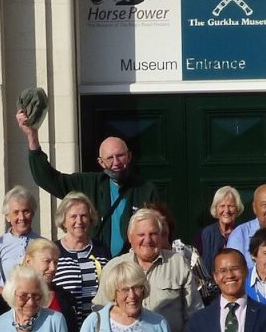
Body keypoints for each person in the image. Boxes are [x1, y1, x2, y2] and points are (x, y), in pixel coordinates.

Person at [17, 110, 160, 256]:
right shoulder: (87, 184)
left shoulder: (146, 190)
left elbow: (159, 230)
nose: (116, 162)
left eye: (120, 156)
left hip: (131, 266)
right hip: (96, 264)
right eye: (110, 158)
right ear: (101, 162)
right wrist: (32, 136)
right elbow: (48, 179)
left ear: (129, 156)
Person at [93, 209, 203, 332]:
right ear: (130, 237)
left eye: (153, 234)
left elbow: (194, 312)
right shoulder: (114, 267)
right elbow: (99, 312)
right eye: (141, 235)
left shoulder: (178, 264)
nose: (148, 240)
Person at [0, 238, 80, 332]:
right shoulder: (7, 298)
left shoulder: (65, 298)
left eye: (55, 262)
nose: (53, 268)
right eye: (47, 261)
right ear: (28, 261)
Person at [52, 191, 111, 323]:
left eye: (84, 216)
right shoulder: (53, 251)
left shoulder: (101, 250)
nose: (79, 221)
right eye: (73, 216)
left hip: (99, 326)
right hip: (66, 327)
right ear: (63, 220)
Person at [0, 185, 38, 299]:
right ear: (7, 217)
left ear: (32, 213)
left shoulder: (43, 244)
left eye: (26, 211)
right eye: (16, 212)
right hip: (5, 307)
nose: (21, 217)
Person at [194, 186, 244, 285]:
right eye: (222, 206)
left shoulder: (244, 233)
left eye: (231, 206)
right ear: (216, 209)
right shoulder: (204, 235)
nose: (226, 210)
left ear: (237, 209)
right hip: (211, 294)